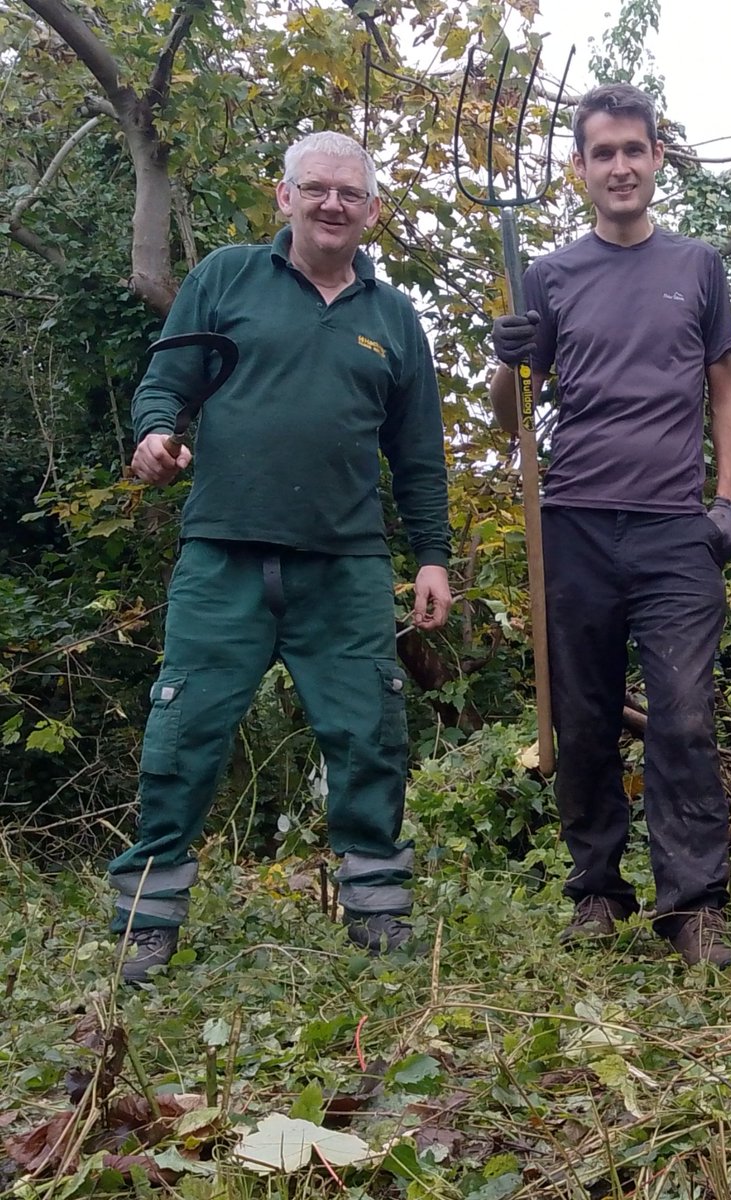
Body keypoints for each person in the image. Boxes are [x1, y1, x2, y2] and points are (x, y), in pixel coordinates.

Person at [109, 131, 452, 983]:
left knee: (370, 737)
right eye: (317, 189)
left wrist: (433, 558)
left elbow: (418, 455)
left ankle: (377, 916)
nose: (333, 204)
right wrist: (156, 436)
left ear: (372, 212)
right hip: (223, 556)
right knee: (183, 734)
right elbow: (165, 384)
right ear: (284, 196)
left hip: (347, 567)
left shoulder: (394, 318)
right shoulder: (224, 279)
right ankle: (147, 925)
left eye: (351, 194)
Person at [489, 83, 731, 968]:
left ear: (657, 160)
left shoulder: (698, 266)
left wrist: (726, 502)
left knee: (681, 716)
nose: (621, 166)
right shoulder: (550, 275)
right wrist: (509, 360)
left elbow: (724, 390)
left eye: (634, 149)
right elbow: (509, 418)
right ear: (580, 170)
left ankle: (694, 905)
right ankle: (597, 891)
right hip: (576, 524)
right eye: (603, 153)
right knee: (585, 717)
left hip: (677, 526)